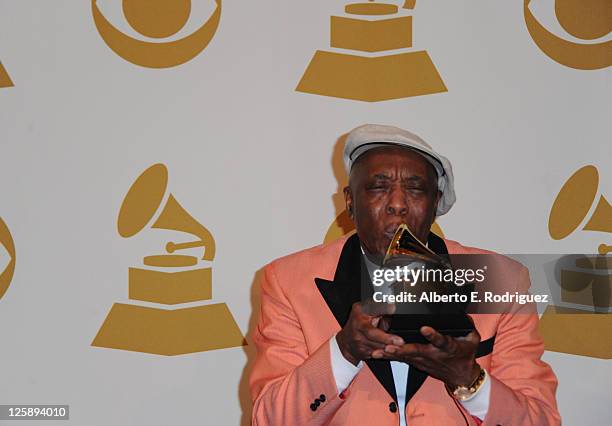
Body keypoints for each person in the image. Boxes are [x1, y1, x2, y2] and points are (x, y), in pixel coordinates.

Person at [249, 124, 560, 425]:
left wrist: (467, 379)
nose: (397, 204)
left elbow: (541, 421)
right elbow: (269, 420)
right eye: (378, 187)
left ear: (435, 203)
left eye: (414, 188)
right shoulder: (289, 282)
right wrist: (344, 350)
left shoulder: (500, 281)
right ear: (349, 202)